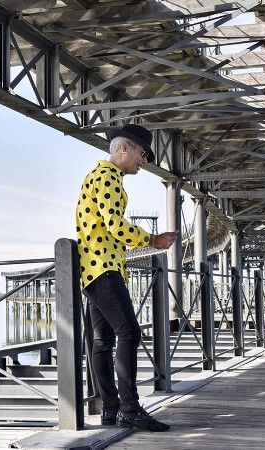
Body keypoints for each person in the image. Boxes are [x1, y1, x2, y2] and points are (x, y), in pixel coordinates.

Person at [76, 123, 178, 432]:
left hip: (91, 270)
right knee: (130, 333)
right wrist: (152, 240)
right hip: (104, 267)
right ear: (125, 148)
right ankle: (130, 408)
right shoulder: (109, 178)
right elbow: (115, 226)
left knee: (102, 342)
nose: (144, 161)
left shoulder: (95, 176)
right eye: (143, 153)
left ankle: (111, 410)